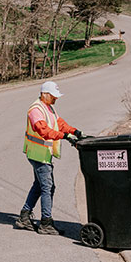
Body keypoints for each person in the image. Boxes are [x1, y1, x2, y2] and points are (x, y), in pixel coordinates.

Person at [15, 81, 85, 235]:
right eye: (53, 96)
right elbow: (43, 131)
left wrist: (75, 132)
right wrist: (66, 136)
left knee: (39, 185)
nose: (56, 99)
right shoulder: (35, 110)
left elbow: (59, 123)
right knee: (48, 187)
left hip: (42, 153)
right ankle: (45, 223)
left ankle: (24, 217)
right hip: (38, 154)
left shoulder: (48, 107)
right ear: (44, 94)